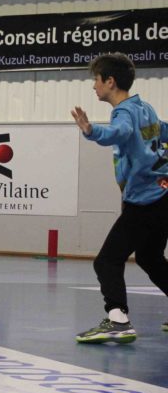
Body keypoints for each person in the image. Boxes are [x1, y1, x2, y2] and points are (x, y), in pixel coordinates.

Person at [71, 53, 168, 344]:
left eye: (96, 80)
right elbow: (163, 130)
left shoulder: (123, 113)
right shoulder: (146, 108)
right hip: (163, 196)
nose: (94, 86)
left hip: (144, 202)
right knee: (150, 258)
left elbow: (119, 132)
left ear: (110, 81)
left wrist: (92, 131)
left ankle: (118, 320)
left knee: (106, 262)